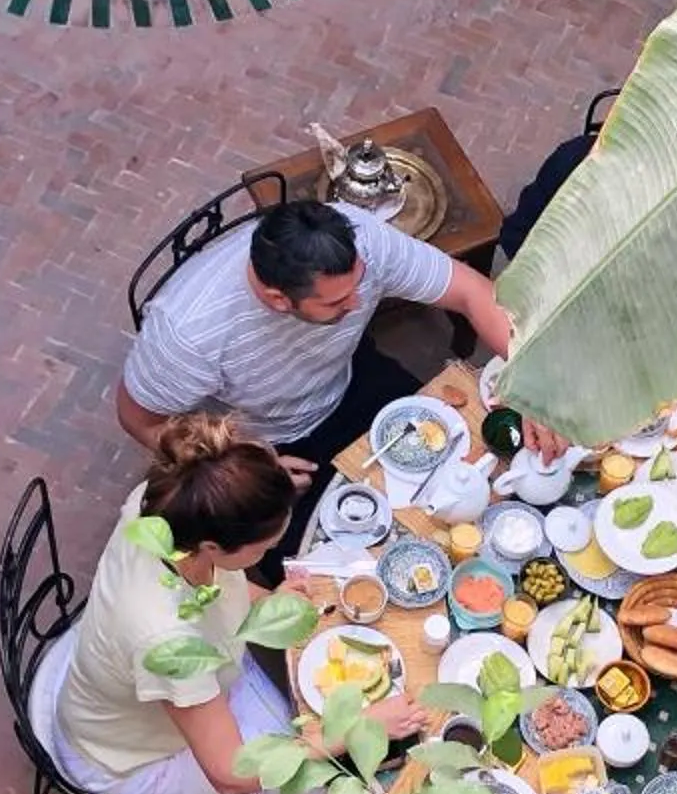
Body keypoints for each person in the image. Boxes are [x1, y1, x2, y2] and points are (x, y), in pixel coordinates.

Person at [50, 414, 421, 794]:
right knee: (335, 780)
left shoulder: (165, 507)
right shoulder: (171, 646)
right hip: (125, 754)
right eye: (264, 547)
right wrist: (363, 726)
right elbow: (229, 774)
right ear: (212, 545)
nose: (270, 553)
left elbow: (217, 581)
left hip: (163, 681)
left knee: (312, 732)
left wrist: (268, 601)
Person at [118, 198, 520, 558]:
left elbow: (473, 292)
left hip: (350, 380)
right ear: (278, 299)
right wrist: (245, 462)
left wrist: (531, 384)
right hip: (269, 439)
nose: (361, 301)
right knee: (331, 556)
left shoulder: (359, 238)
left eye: (360, 283)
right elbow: (140, 419)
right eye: (337, 302)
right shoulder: (189, 334)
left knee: (463, 461)